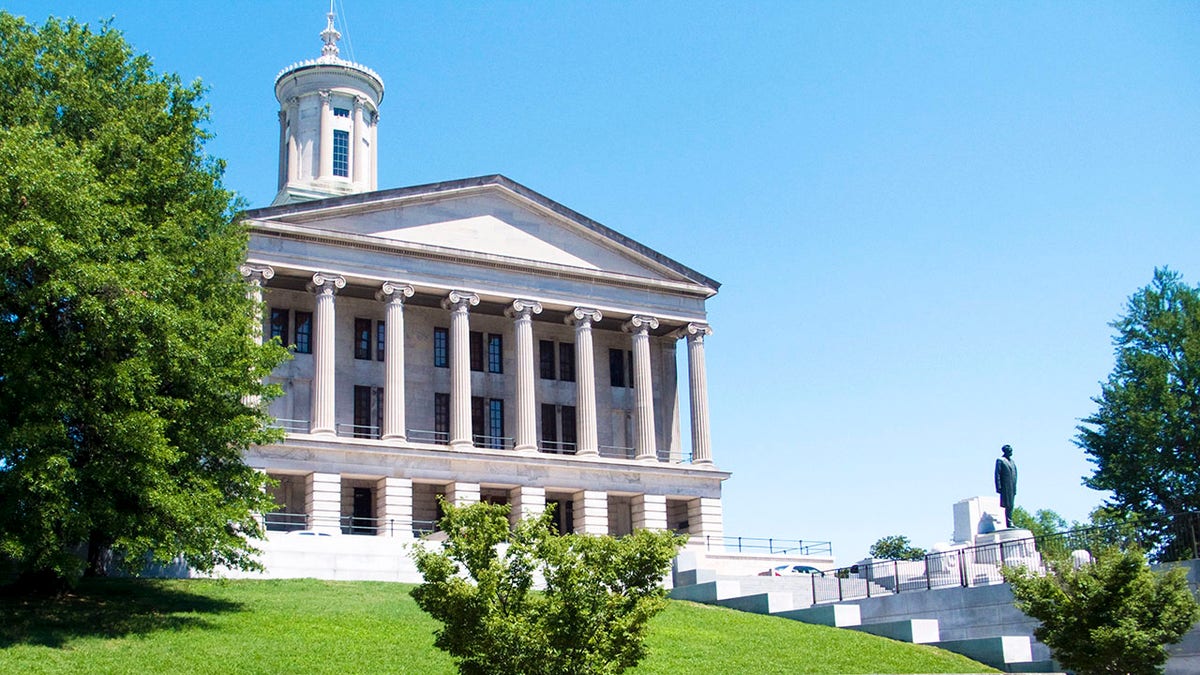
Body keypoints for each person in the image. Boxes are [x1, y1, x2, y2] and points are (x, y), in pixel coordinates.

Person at [994, 444, 1018, 528]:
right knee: (1008, 505)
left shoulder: (1012, 461)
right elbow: (997, 474)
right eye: (1010, 451)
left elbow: (1015, 474)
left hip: (1012, 486)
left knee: (1011, 505)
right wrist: (998, 487)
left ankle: (1010, 521)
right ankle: (1009, 522)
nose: (1011, 453)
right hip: (1005, 486)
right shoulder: (1000, 460)